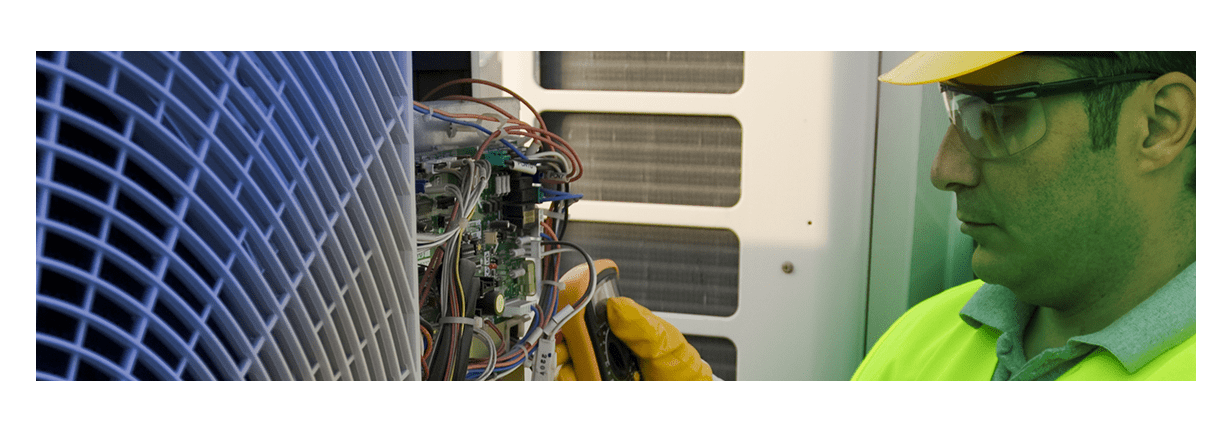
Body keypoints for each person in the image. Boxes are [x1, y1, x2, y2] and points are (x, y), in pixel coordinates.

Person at [557, 51, 1196, 381]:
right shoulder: (933, 331)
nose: (945, 169)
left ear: (1160, 124)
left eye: (998, 115)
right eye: (955, 112)